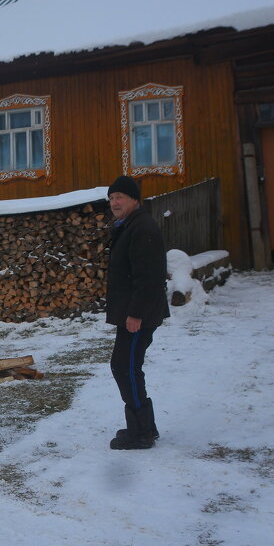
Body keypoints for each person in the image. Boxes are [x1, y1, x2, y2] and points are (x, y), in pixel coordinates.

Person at [105, 175, 168, 450]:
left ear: (134, 200)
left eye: (120, 197)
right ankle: (143, 427)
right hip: (132, 312)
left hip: (137, 316)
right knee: (126, 366)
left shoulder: (141, 228)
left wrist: (136, 314)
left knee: (126, 367)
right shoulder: (129, 225)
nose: (115, 202)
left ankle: (141, 432)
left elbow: (149, 277)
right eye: (111, 198)